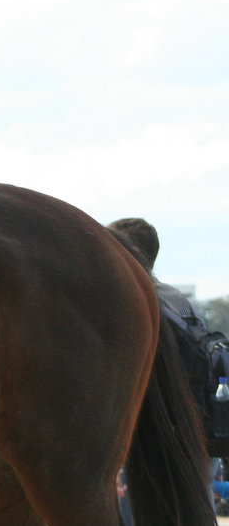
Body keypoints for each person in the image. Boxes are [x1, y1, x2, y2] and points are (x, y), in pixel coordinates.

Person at [107, 216, 218, 517]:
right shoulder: (178, 299)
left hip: (150, 430)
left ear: (128, 251)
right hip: (196, 424)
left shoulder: (133, 300)